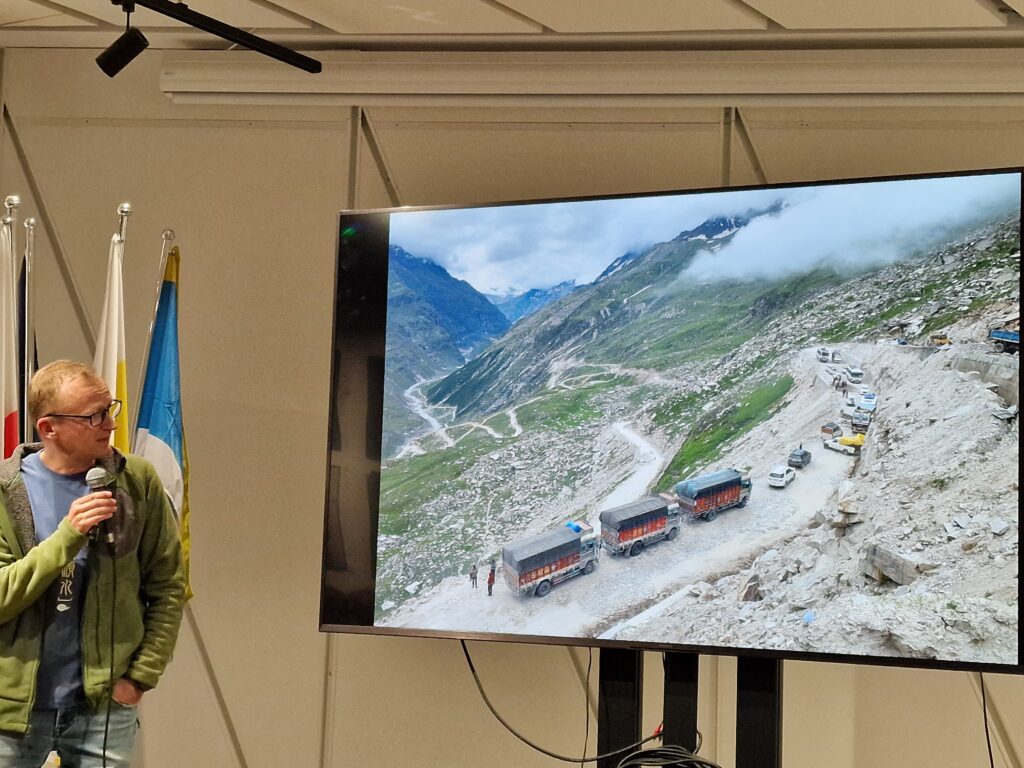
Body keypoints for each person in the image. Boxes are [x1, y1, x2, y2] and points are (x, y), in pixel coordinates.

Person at [0, 360, 186, 766]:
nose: (110, 424)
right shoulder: (6, 489)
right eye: (93, 416)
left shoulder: (136, 480)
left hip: (103, 709)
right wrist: (68, 536)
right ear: (48, 428)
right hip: (12, 711)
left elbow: (168, 586)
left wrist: (139, 679)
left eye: (109, 409)